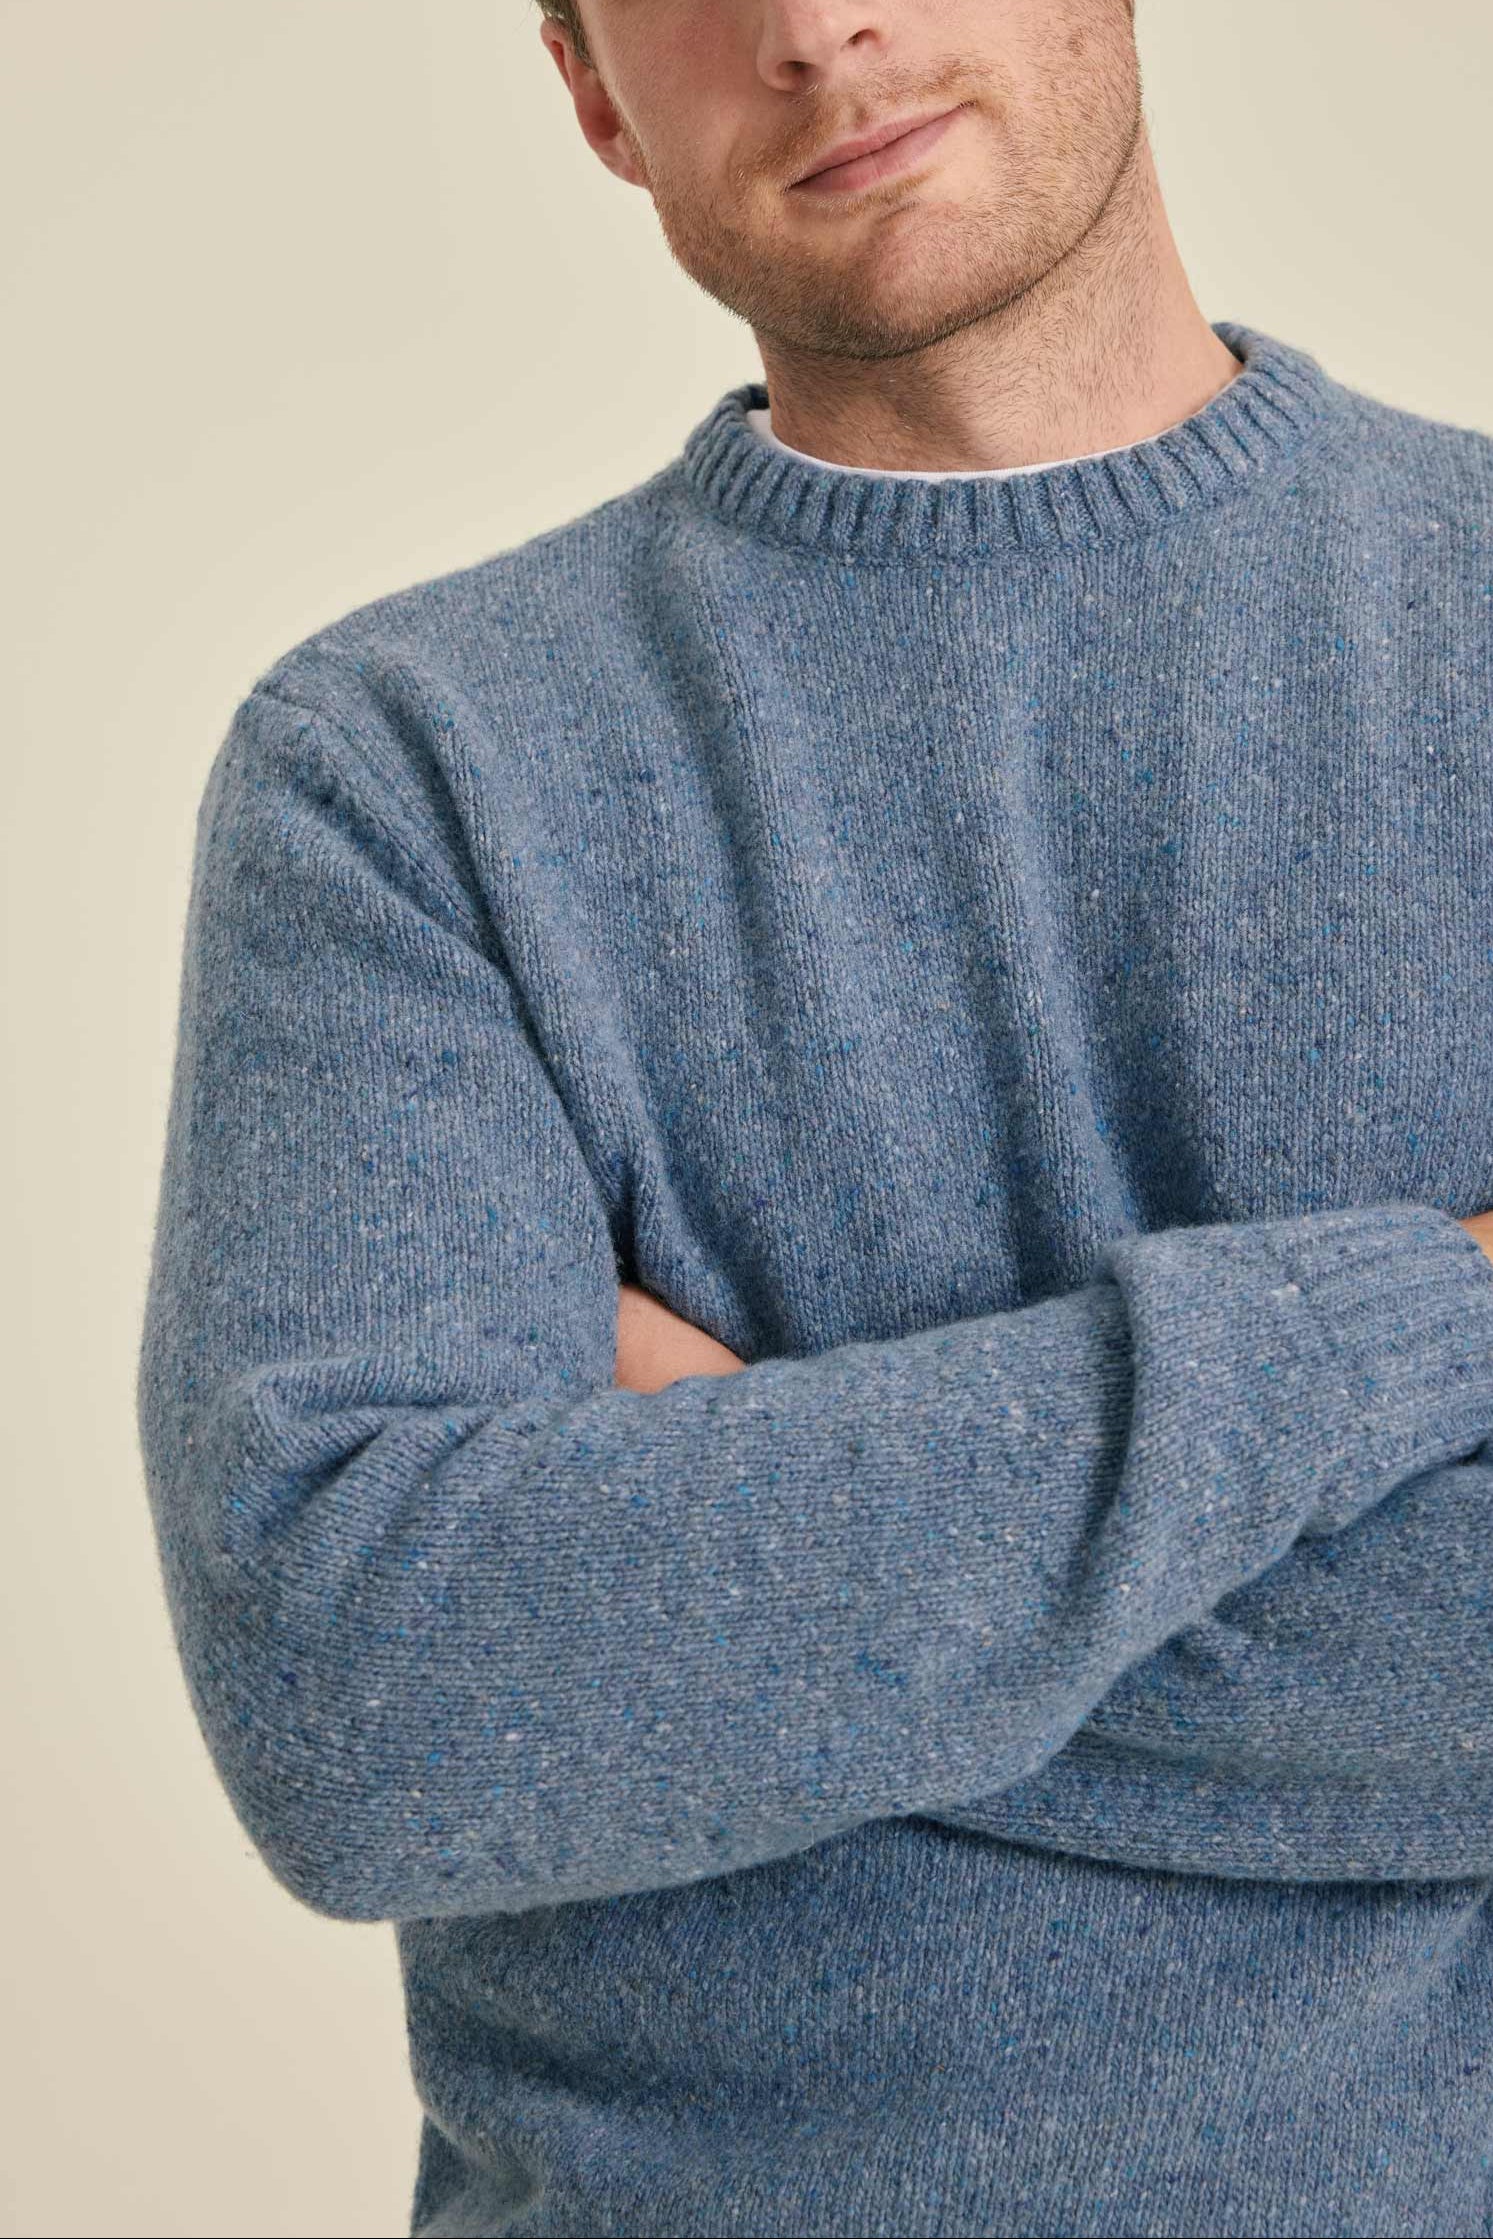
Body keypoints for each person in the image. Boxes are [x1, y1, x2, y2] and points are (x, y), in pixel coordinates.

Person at [134, 4, 1493, 2235]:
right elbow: (369, 1701)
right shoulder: (403, 772)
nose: (811, 26)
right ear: (590, 97)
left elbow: (515, 1681)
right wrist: (1412, 1318)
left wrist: (757, 1550)